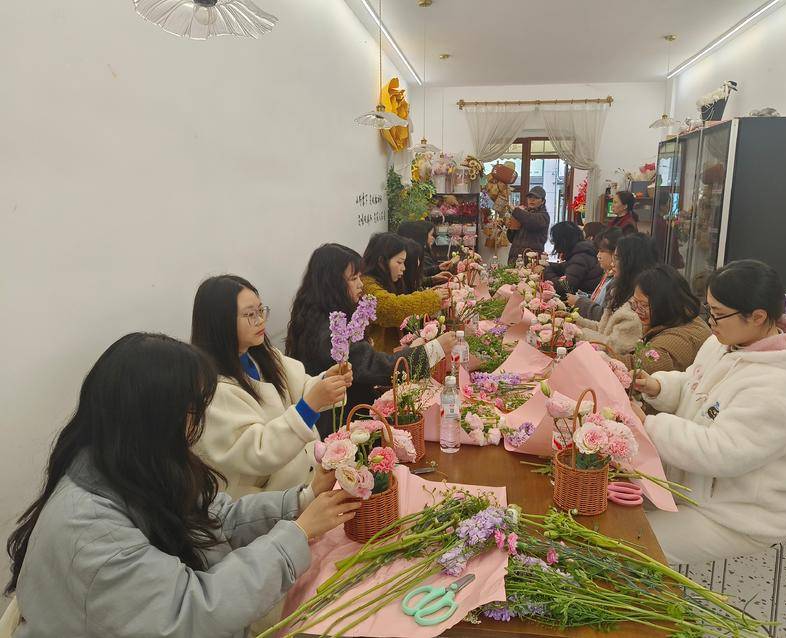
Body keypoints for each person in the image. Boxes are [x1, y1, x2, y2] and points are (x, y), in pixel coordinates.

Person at [5, 333, 360, 637]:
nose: (198, 422)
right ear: (152, 418)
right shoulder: (90, 531)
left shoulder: (134, 466)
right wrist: (297, 533)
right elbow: (192, 613)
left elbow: (215, 517)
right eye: (192, 410)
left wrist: (304, 499)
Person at [632, 260, 786, 565]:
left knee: (629, 542)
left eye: (717, 314)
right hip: (691, 485)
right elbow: (693, 384)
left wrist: (649, 425)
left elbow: (722, 451)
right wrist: (658, 386)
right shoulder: (724, 344)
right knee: (610, 506)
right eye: (709, 309)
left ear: (757, 317)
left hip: (738, 514)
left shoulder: (781, 385)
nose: (710, 321)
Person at [191, 275, 352, 498]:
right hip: (271, 499)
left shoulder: (261, 356)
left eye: (261, 310)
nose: (260, 320)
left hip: (306, 478)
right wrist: (311, 405)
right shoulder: (213, 391)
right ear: (220, 322)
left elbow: (300, 387)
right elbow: (258, 452)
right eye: (250, 315)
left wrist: (326, 381)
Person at [285, 243, 455, 437]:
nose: (361, 285)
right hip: (340, 427)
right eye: (353, 279)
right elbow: (376, 366)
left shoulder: (324, 314)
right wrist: (435, 349)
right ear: (331, 284)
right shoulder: (328, 330)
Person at [610, 264, 711, 374]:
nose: (638, 310)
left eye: (644, 305)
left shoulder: (678, 340)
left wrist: (603, 358)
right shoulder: (680, 317)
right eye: (635, 302)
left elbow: (639, 365)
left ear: (666, 304)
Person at [361, 232, 449, 353]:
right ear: (381, 261)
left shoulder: (384, 282)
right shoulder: (366, 285)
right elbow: (394, 308)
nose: (404, 268)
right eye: (399, 262)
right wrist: (432, 298)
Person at [575, 233, 657, 354]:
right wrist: (575, 321)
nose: (613, 264)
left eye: (617, 258)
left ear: (631, 263)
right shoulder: (619, 289)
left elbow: (614, 347)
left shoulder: (639, 301)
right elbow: (604, 329)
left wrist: (577, 332)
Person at [569, 227, 622, 321]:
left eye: (602, 251)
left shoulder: (617, 282)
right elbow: (597, 300)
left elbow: (603, 315)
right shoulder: (608, 275)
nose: (598, 255)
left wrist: (579, 302)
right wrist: (583, 297)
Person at [544, 221, 604, 296]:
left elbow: (566, 288)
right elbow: (564, 267)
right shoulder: (581, 251)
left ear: (562, 241)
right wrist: (546, 265)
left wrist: (545, 272)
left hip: (582, 298)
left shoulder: (581, 257)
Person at [397, 220, 452, 285]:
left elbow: (417, 278)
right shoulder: (412, 254)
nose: (403, 268)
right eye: (431, 235)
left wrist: (437, 270)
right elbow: (412, 281)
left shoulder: (416, 252)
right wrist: (433, 278)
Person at [507, 185, 550, 264]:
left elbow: (531, 221)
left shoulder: (544, 216)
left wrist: (515, 210)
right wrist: (511, 229)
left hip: (531, 261)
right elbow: (511, 239)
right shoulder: (523, 214)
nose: (532, 200)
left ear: (543, 201)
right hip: (515, 259)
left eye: (536, 198)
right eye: (530, 197)